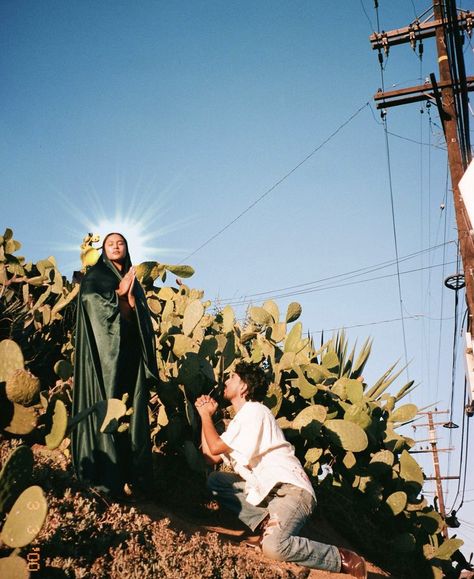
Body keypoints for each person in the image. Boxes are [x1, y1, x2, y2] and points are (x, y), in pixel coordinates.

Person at [195, 361, 367, 578]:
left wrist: (203, 416)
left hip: (291, 491)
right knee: (216, 481)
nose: (226, 381)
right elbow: (210, 457)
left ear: (244, 387)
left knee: (275, 547)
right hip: (267, 491)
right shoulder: (241, 421)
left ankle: (343, 559)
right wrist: (206, 416)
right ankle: (265, 525)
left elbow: (217, 446)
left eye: (232, 377)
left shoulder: (254, 411)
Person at [72, 232, 158, 499]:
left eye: (120, 242)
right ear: (103, 250)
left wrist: (131, 300)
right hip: (105, 358)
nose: (116, 246)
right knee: (108, 406)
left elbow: (142, 320)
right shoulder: (95, 278)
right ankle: (104, 472)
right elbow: (91, 306)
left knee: (131, 412)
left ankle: (133, 474)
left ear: (127, 248)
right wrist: (118, 297)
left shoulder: (135, 282)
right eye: (110, 243)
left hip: (131, 356)